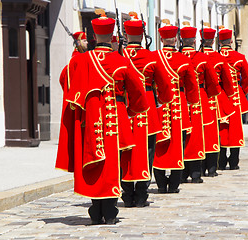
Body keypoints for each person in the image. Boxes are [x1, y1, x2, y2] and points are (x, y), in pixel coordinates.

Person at [55, 11, 149, 225]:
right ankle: (110, 209)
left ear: (94, 36)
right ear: (112, 35)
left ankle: (96, 208)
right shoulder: (121, 61)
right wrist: (132, 111)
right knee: (113, 163)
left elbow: (64, 78)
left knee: (94, 160)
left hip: (92, 118)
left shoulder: (81, 60)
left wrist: (81, 96)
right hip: (116, 118)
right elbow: (138, 94)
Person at [120, 12, 174, 207]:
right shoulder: (151, 58)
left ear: (125, 36)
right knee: (147, 151)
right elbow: (166, 86)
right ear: (142, 36)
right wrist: (161, 101)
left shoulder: (120, 56)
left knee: (124, 151)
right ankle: (141, 194)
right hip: (148, 107)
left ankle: (126, 193)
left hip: (124, 106)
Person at [153, 19, 199, 193]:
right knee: (177, 143)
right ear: (175, 39)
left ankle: (160, 184)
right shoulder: (183, 59)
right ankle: (173, 185)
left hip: (159, 104)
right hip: (178, 105)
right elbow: (192, 87)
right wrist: (192, 102)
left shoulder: (155, 57)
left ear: (162, 38)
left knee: (159, 144)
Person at [180, 22, 220, 183]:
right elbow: (212, 81)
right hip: (199, 97)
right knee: (196, 135)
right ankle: (196, 173)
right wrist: (211, 94)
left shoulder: (175, 57)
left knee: (182, 135)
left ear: (181, 40)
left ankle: (181, 172)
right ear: (195, 41)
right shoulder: (202, 58)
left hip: (180, 98)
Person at [201, 23, 236, 176]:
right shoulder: (218, 57)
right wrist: (228, 96)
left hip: (197, 98)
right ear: (213, 39)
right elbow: (227, 82)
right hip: (214, 98)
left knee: (199, 134)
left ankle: (199, 168)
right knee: (213, 133)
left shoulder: (196, 56)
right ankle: (212, 167)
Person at [218, 27, 248, 171]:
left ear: (219, 42)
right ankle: (234, 162)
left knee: (221, 128)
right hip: (235, 97)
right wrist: (242, 91)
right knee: (235, 130)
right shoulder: (239, 57)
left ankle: (220, 162)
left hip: (219, 96)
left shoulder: (215, 56)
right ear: (231, 40)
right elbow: (247, 79)